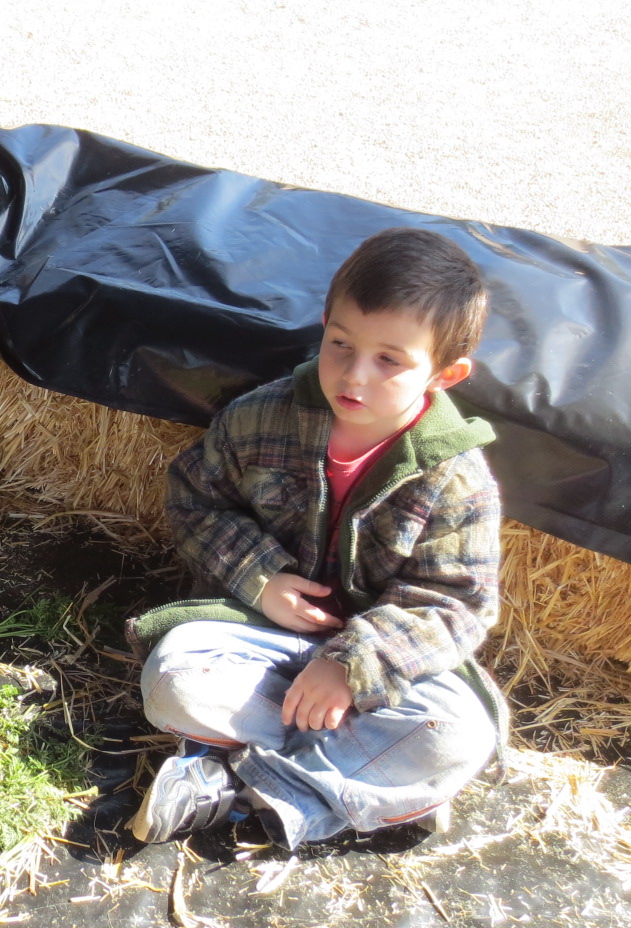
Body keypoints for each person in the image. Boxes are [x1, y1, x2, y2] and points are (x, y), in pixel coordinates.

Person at [125, 227, 509, 850]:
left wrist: (351, 665)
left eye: (390, 360)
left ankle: (230, 788)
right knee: (173, 678)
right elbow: (195, 500)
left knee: (457, 735)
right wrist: (260, 579)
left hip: (378, 674)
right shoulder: (261, 416)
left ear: (445, 374)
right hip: (261, 640)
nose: (353, 375)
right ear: (325, 324)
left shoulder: (457, 479)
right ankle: (370, 785)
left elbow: (457, 604)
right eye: (340, 344)